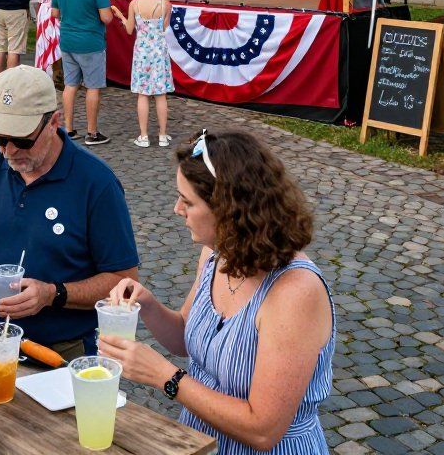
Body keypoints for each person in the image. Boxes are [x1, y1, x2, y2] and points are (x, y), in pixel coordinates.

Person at [99, 130, 334, 455]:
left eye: (188, 201)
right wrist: (147, 303)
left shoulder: (295, 292)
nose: (176, 209)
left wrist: (164, 375)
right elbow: (185, 337)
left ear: (229, 210)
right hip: (200, 443)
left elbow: (264, 430)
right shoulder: (217, 253)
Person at [0, 65, 140, 359]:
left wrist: (53, 294)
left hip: (58, 352)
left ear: (53, 122)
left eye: (21, 140)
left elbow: (125, 282)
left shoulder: (96, 183)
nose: (8, 151)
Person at [51, 0, 113, 146]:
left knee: (70, 85)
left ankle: (68, 129)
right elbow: (106, 18)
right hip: (90, 43)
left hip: (68, 41)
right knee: (93, 87)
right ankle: (92, 133)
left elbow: (55, 13)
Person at [113, 0, 173, 148]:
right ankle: (162, 135)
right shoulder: (166, 4)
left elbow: (130, 29)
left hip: (142, 53)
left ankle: (144, 136)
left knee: (143, 94)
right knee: (161, 94)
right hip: (159, 51)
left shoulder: (134, 4)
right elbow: (163, 28)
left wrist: (120, 16)